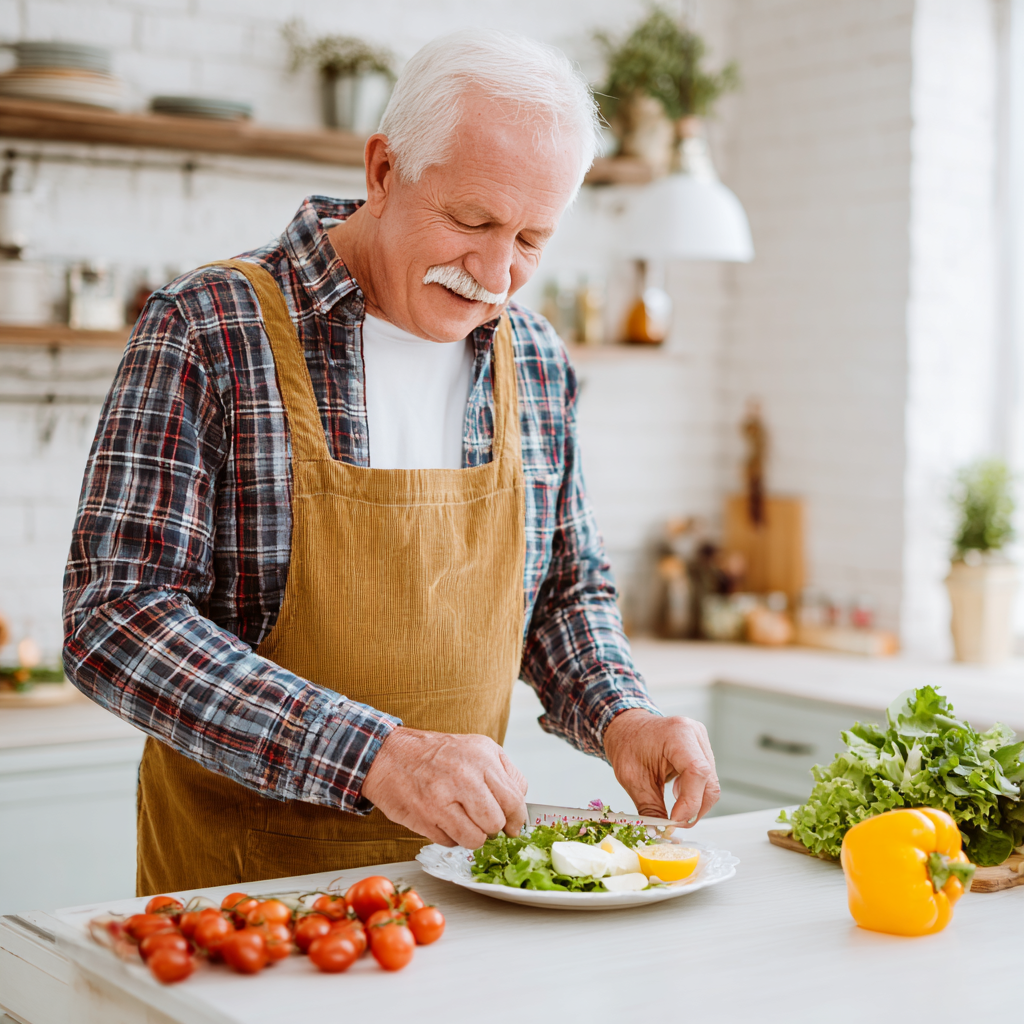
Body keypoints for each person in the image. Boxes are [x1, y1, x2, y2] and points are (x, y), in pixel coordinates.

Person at [63, 28, 720, 895]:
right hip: (245, 901)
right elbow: (115, 617)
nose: (495, 272)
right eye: (472, 221)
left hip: (459, 894)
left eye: (531, 238)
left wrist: (622, 714)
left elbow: (565, 590)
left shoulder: (534, 354)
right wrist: (375, 754)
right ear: (382, 171)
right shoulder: (211, 328)